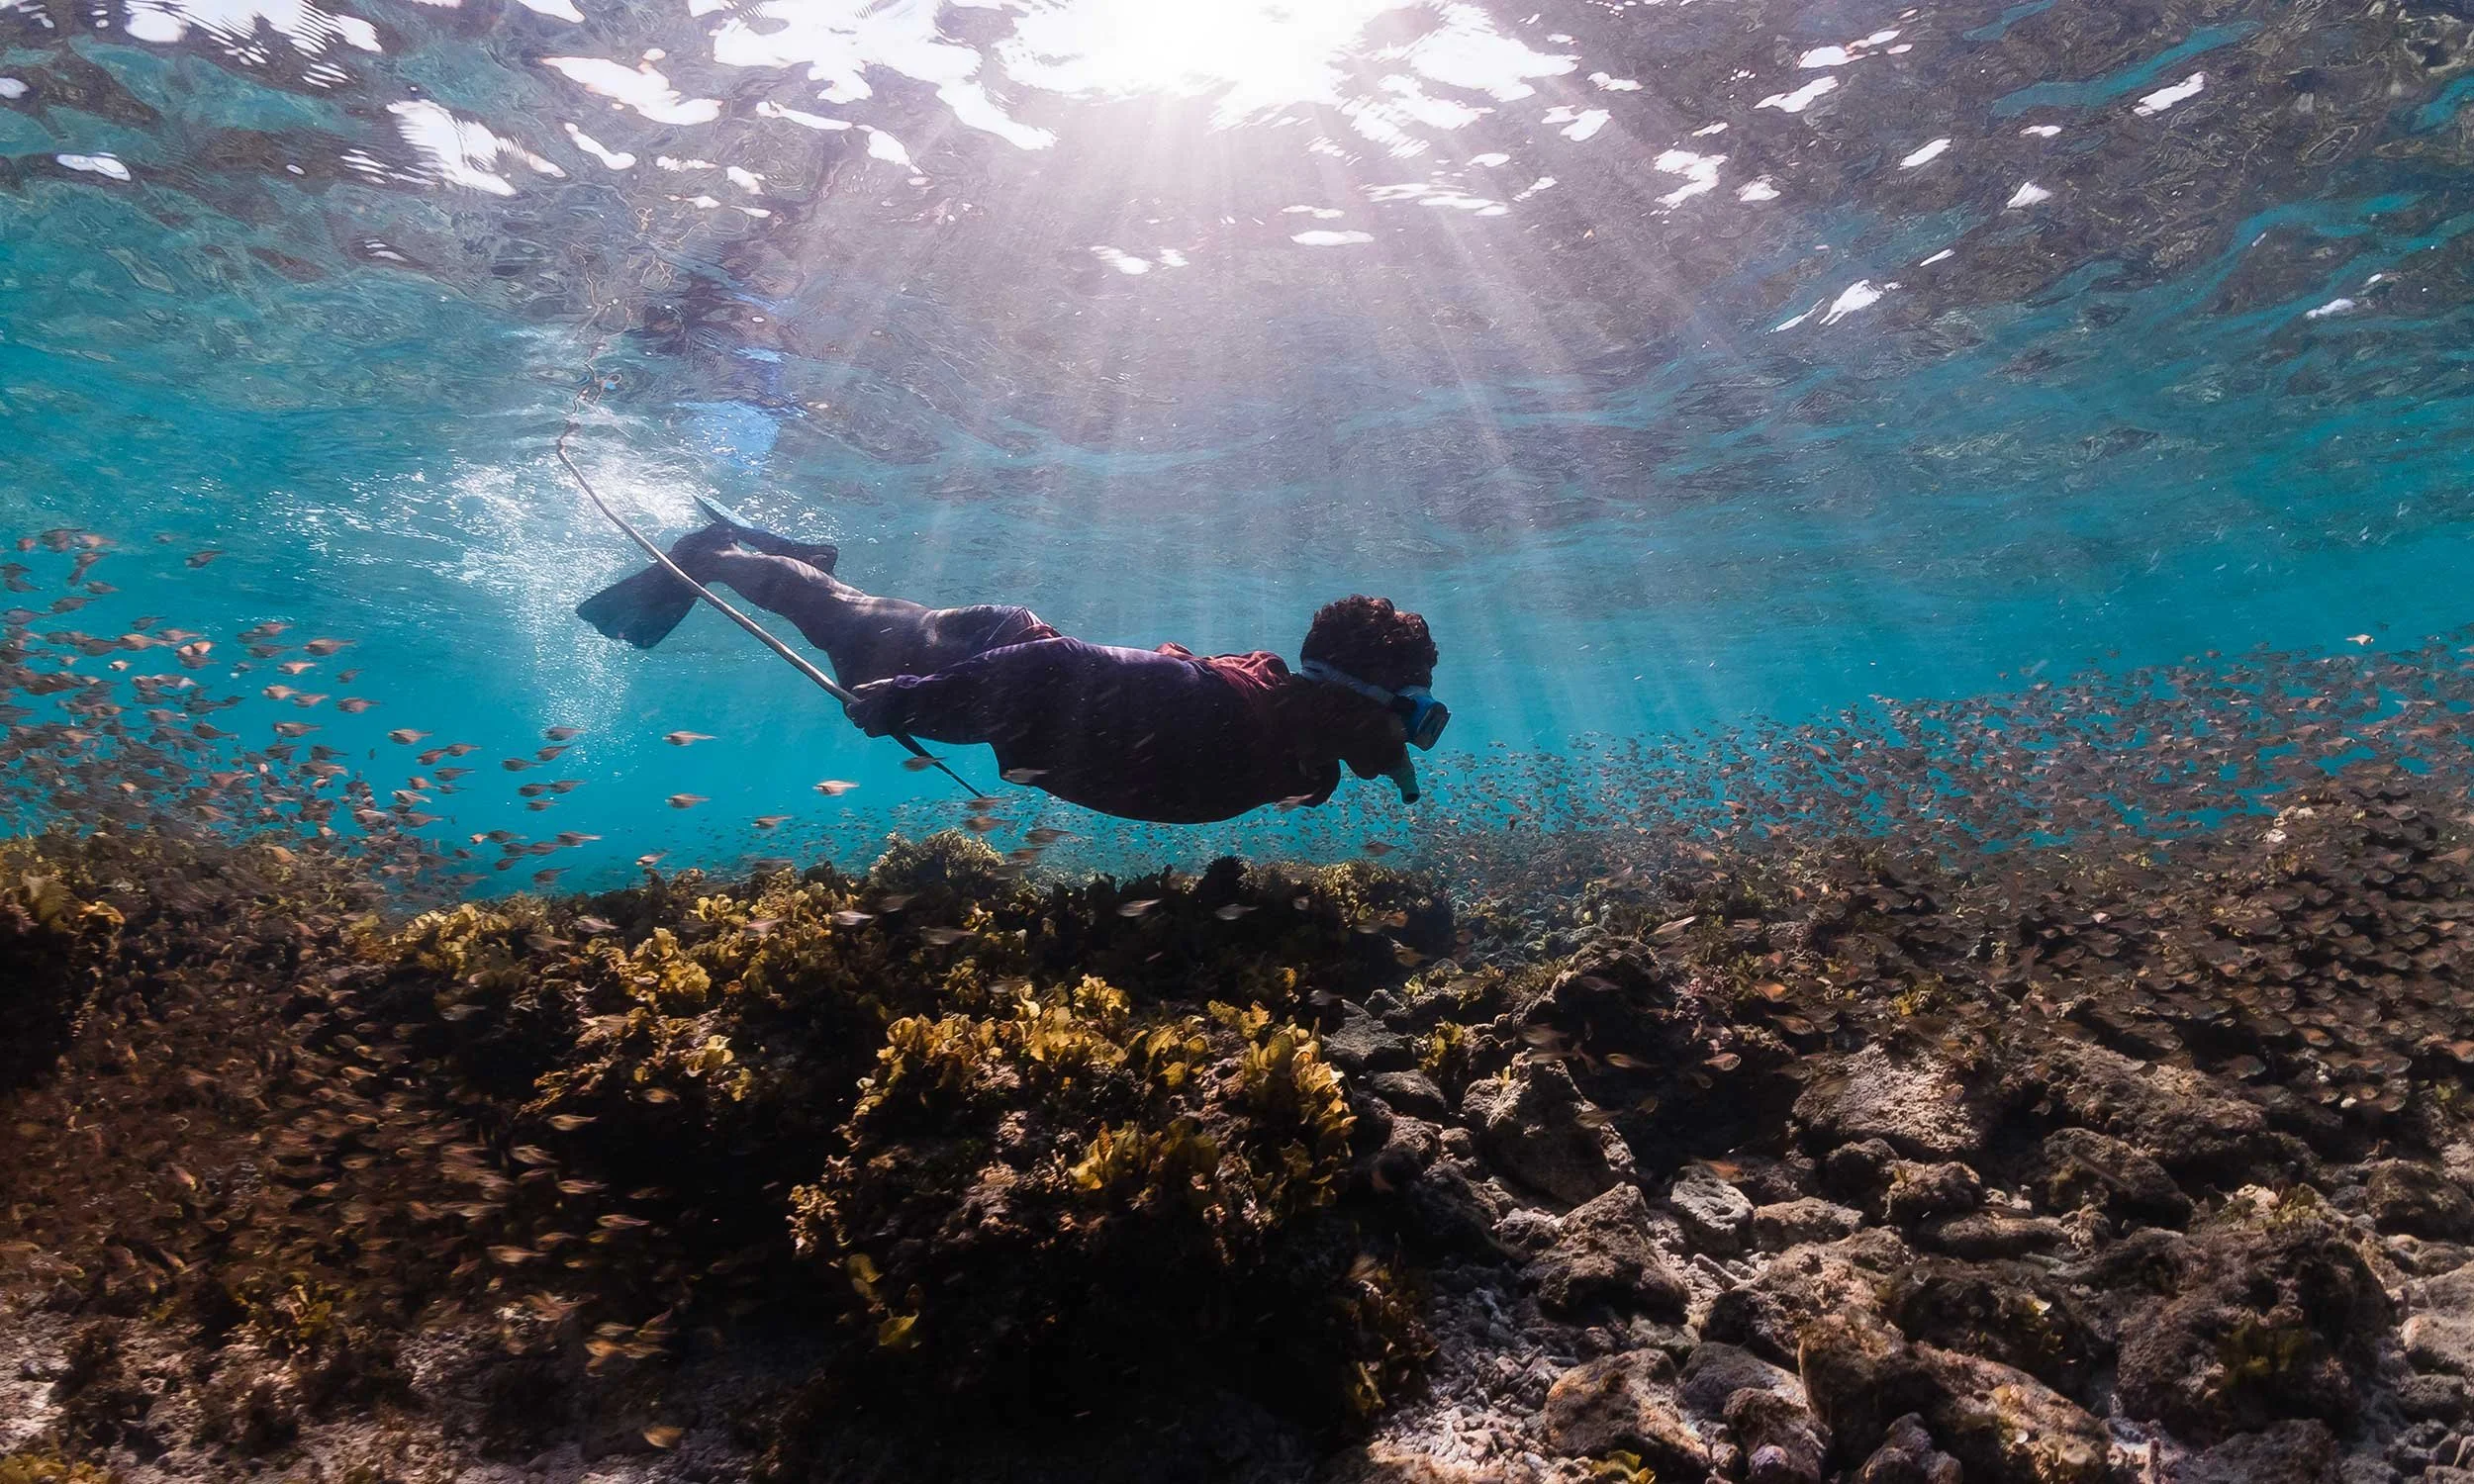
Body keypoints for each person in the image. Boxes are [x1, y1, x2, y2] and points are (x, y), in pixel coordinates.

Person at [575, 504, 1448, 824]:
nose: (1416, 744)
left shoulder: (1317, 773)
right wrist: (912, 697)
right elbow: (1055, 666)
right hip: (995, 662)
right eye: (1413, 717)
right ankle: (723, 549)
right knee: (835, 623)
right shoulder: (1196, 700)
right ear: (1345, 698)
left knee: (840, 625)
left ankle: (793, 552)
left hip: (1025, 703)